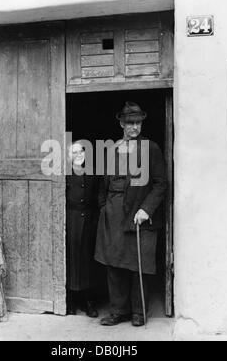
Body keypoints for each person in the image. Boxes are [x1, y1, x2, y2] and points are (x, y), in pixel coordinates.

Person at [95, 101, 167, 327]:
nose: (134, 127)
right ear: (121, 123)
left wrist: (146, 209)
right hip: (113, 212)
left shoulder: (151, 148)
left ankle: (139, 312)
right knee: (113, 263)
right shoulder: (112, 148)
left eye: (137, 123)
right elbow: (103, 182)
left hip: (138, 212)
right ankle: (118, 311)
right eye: (129, 123)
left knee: (138, 264)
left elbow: (160, 183)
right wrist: (103, 207)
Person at [66, 140, 99, 318]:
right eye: (74, 152)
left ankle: (89, 301)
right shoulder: (64, 174)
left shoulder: (92, 173)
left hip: (89, 221)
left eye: (81, 152)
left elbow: (97, 196)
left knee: (87, 260)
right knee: (71, 259)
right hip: (70, 220)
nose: (78, 155)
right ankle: (71, 300)